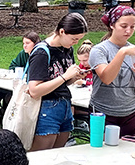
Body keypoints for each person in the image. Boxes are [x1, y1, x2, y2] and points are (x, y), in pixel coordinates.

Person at [26, 13, 88, 151]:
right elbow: (34, 90)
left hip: (65, 105)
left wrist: (74, 77)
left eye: (79, 39)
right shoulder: (42, 52)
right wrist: (65, 76)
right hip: (46, 107)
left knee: (58, 154)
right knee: (41, 156)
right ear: (61, 32)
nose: (75, 42)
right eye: (74, 38)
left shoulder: (67, 50)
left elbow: (61, 82)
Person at [89, 6, 135, 137]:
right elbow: (106, 78)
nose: (128, 31)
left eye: (132, 27)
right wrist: (122, 52)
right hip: (104, 111)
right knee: (102, 150)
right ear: (112, 25)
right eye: (124, 26)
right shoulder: (99, 50)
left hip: (131, 112)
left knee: (128, 151)